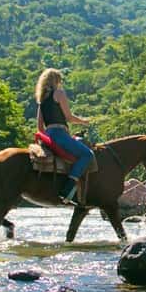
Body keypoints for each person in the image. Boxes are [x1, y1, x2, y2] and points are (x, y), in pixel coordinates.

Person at [35, 68, 93, 204]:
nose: (60, 83)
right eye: (59, 80)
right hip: (60, 134)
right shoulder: (59, 93)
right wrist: (84, 121)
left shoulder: (42, 100)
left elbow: (39, 127)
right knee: (87, 154)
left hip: (49, 136)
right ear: (55, 80)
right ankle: (67, 189)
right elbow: (68, 117)